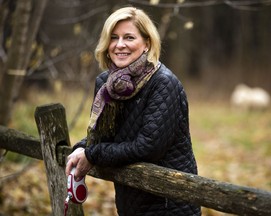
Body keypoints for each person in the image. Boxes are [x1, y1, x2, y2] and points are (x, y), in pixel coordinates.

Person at [65, 6, 201, 216]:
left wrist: (92, 154)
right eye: (114, 37)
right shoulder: (107, 84)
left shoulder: (163, 84)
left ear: (147, 43)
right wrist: (82, 148)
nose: (120, 45)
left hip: (169, 203)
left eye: (129, 37)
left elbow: (148, 147)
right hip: (130, 201)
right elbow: (105, 135)